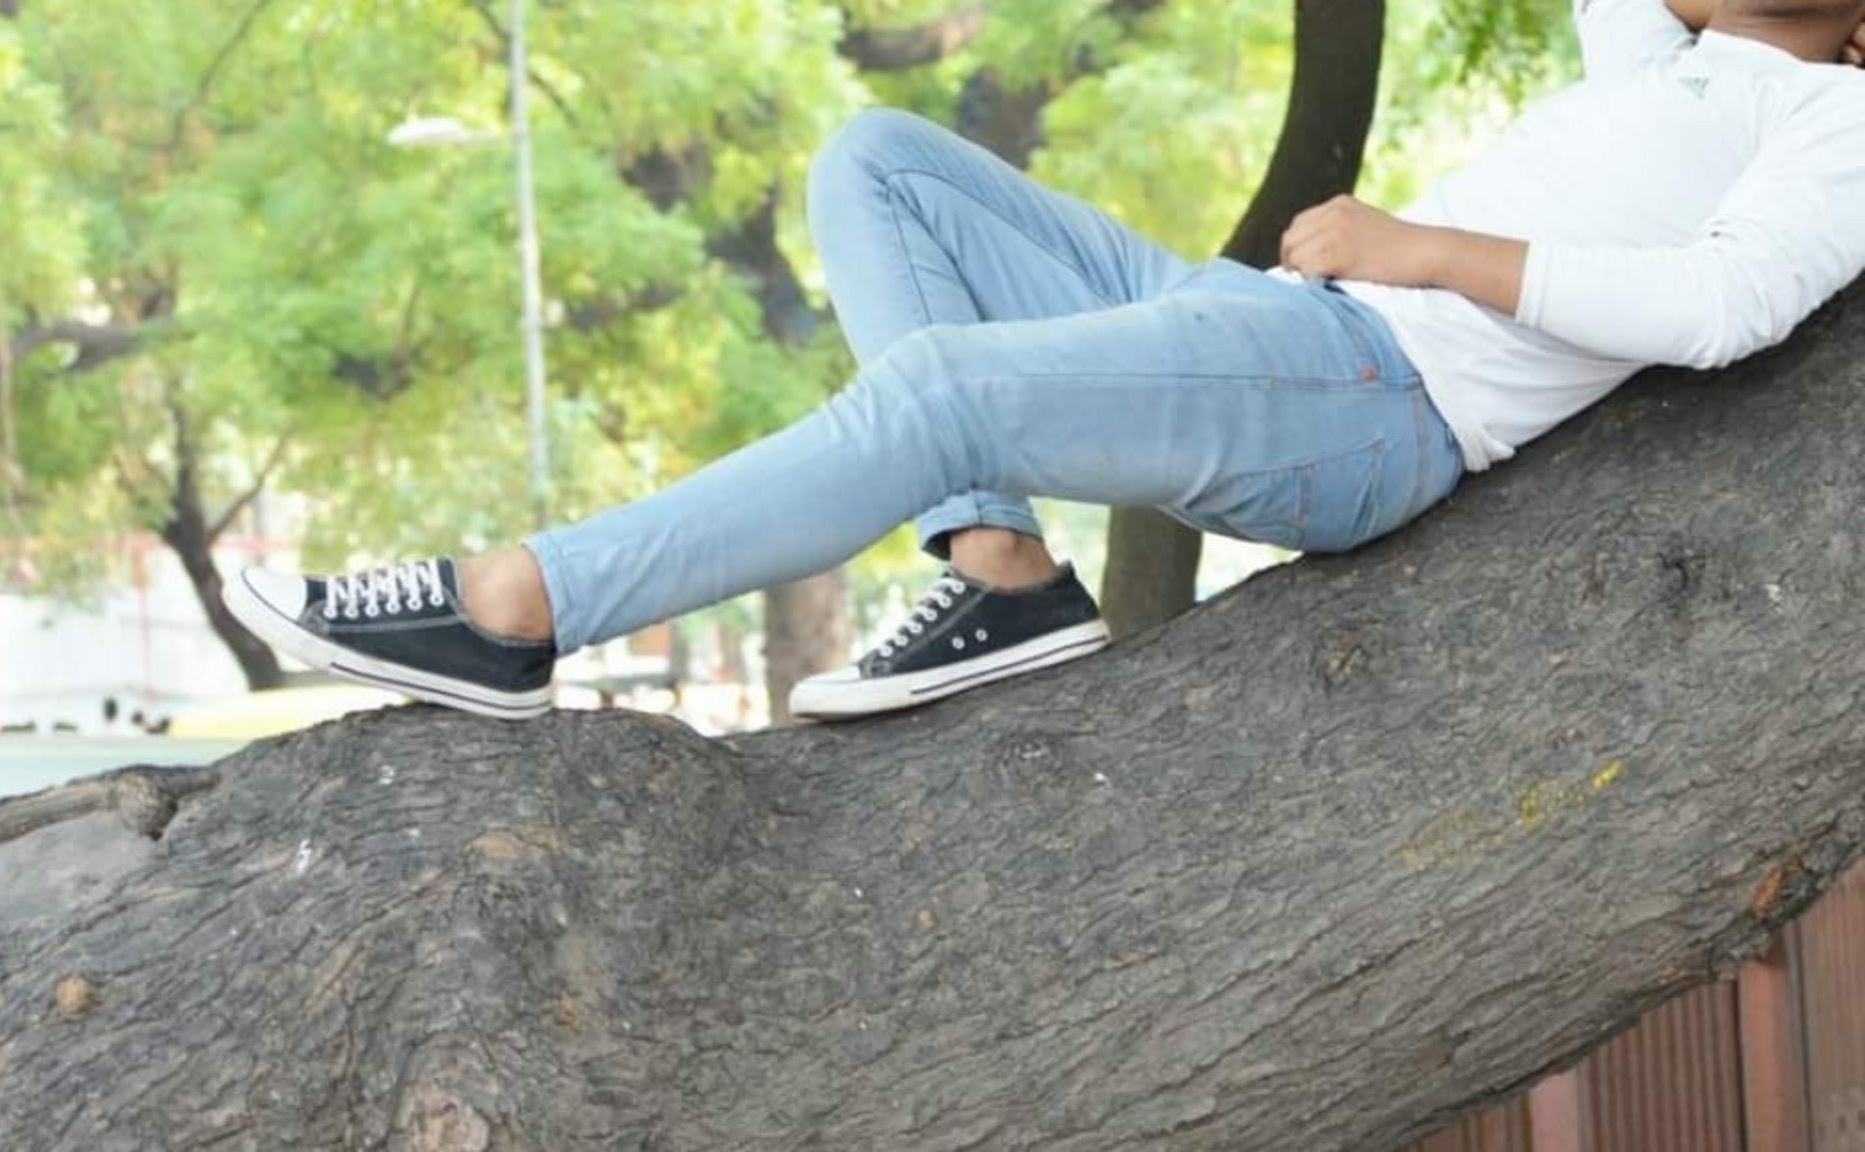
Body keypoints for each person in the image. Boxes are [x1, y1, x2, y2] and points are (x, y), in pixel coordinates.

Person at [225, 0, 1865, 722]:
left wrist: (1415, 247)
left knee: (943, 389)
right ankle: (1000, 575)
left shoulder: (1835, 115)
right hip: (1280, 325)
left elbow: (1723, 306)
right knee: (879, 161)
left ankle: (517, 607)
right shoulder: (1666, 55)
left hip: (1375, 399)